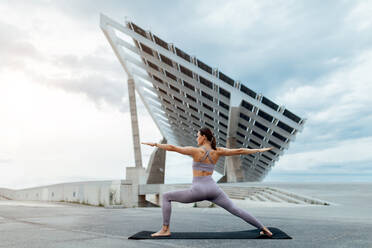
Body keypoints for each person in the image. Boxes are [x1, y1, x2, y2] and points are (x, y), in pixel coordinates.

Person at [141, 126, 273, 238]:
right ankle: (263, 228)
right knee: (235, 209)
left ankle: (165, 229)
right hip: (213, 189)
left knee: (166, 196)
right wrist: (259, 150)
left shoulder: (196, 151)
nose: (196, 138)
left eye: (198, 135)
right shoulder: (218, 151)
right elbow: (239, 151)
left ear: (204, 137)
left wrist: (156, 144)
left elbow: (172, 147)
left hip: (198, 190)